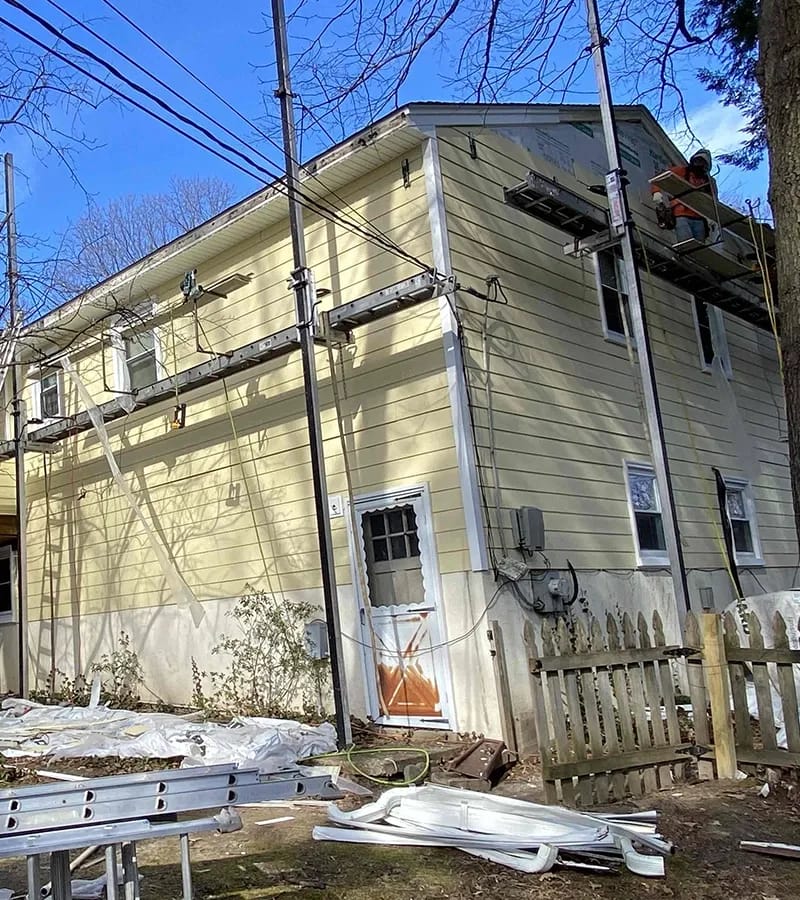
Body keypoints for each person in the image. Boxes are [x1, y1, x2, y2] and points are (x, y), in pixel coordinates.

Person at [651, 148, 717, 245]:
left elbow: (712, 201)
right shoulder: (682, 171)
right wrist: (656, 192)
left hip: (699, 218)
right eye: (697, 161)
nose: (699, 164)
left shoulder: (708, 182)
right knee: (686, 243)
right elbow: (661, 178)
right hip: (681, 213)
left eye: (702, 162)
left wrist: (711, 218)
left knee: (699, 247)